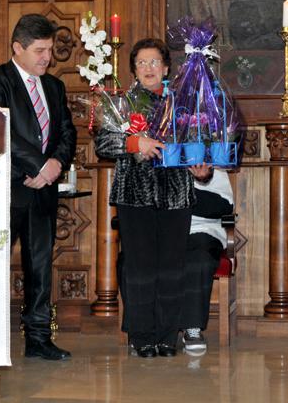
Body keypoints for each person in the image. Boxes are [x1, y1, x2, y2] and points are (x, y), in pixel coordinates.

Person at [0, 14, 76, 361]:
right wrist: (36, 166)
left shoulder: (54, 86)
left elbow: (67, 132)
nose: (46, 57)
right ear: (17, 48)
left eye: (49, 50)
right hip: (9, 189)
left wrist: (55, 166)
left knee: (40, 266)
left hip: (44, 190)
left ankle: (38, 339)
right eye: (39, 50)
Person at [93, 38, 196, 358]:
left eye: (155, 62)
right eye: (142, 63)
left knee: (171, 268)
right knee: (140, 269)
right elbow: (103, 145)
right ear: (134, 70)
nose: (149, 68)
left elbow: (198, 144)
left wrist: (202, 165)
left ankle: (167, 336)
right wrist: (135, 144)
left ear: (166, 68)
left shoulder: (185, 104)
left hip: (176, 196)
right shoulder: (120, 103)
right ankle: (141, 336)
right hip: (134, 197)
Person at [180, 166, 234, 355]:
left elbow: (224, 206)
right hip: (166, 228)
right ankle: (153, 331)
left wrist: (182, 190)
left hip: (204, 230)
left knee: (199, 259)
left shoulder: (213, 161)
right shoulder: (157, 154)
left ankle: (192, 327)